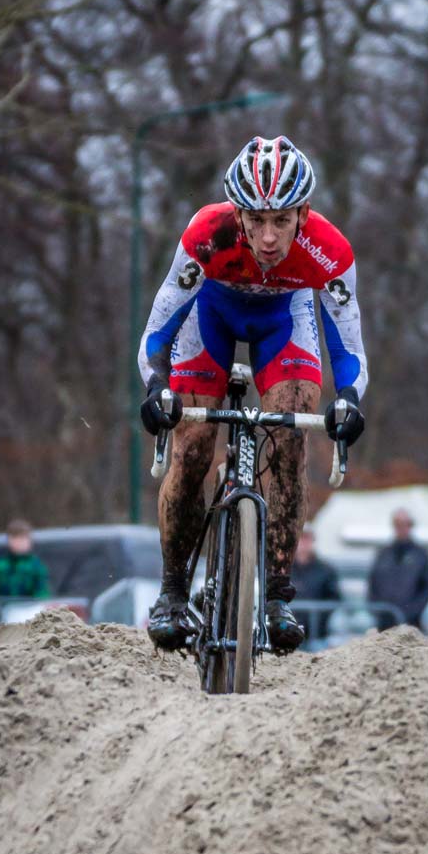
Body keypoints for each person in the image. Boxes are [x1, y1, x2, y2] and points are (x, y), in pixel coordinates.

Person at [138, 135, 367, 652]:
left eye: (281, 221)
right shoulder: (207, 232)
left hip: (283, 321)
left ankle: (277, 595)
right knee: (193, 444)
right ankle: (173, 593)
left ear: (303, 214)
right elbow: (157, 331)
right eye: (255, 220)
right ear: (237, 214)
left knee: (290, 437)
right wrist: (155, 387)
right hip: (210, 318)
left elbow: (349, 349)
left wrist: (350, 397)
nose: (267, 238)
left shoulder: (329, 251)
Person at [367, 508, 428, 629]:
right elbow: (373, 583)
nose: (401, 529)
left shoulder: (420, 554)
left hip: (412, 622)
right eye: (397, 524)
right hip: (384, 620)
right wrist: (377, 610)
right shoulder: (383, 553)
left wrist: (413, 610)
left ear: (410, 526)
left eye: (405, 524)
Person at [291, 525, 341, 643]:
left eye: (307, 538)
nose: (303, 542)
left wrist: (317, 621)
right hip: (285, 634)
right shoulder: (282, 570)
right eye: (301, 538)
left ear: (312, 540)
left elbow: (334, 599)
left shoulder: (326, 570)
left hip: (317, 636)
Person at [0, 519, 50, 598]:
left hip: (31, 609)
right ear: (9, 540)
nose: (19, 542)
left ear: (30, 541)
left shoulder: (36, 566)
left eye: (23, 538)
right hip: (4, 608)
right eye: (15, 538)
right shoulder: (0, 565)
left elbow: (42, 594)